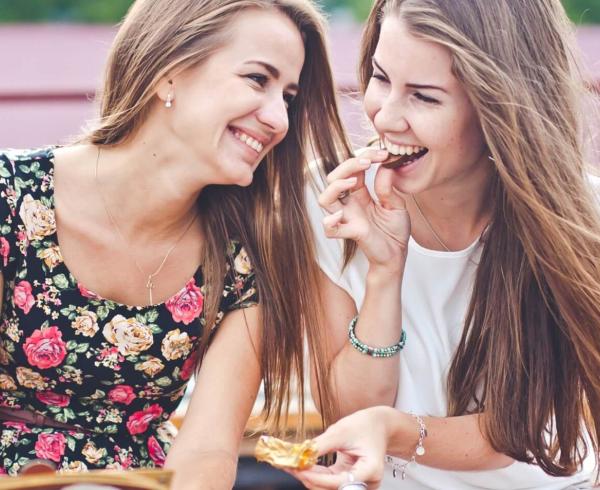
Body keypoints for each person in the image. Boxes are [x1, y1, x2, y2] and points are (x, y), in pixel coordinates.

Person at [0, 0, 350, 487]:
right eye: (257, 79)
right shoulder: (10, 198)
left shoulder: (243, 259)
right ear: (169, 72)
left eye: (288, 97)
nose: (278, 119)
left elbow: (208, 449)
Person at [297, 0, 600, 488]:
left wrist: (394, 430)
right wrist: (384, 271)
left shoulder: (582, 217)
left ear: (497, 110)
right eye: (380, 77)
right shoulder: (329, 197)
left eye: (424, 97)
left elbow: (517, 431)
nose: (386, 117)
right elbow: (348, 413)